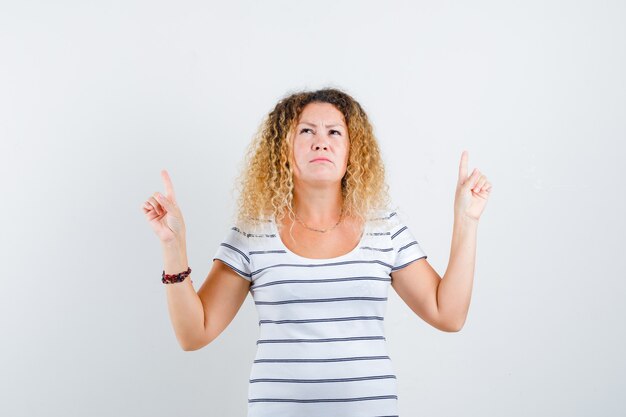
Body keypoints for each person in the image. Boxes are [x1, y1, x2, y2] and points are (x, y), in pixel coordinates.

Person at [141, 87, 492, 416]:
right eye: (307, 131)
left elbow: (448, 315)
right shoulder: (253, 232)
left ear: (353, 151)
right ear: (284, 149)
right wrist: (174, 247)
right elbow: (194, 334)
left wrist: (466, 220)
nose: (321, 142)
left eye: (334, 133)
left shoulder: (384, 227)